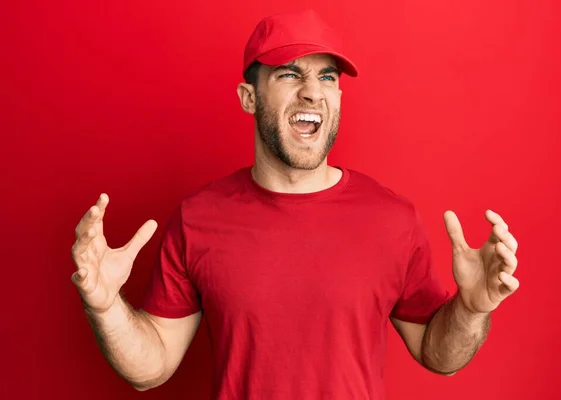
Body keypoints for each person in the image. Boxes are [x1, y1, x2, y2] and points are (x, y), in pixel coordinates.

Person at [70, 9, 520, 400]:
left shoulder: (393, 220)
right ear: (249, 98)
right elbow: (152, 368)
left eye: (327, 76)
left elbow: (438, 354)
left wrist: (472, 307)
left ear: (339, 98)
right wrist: (106, 307)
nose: (311, 91)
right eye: (289, 73)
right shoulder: (197, 219)